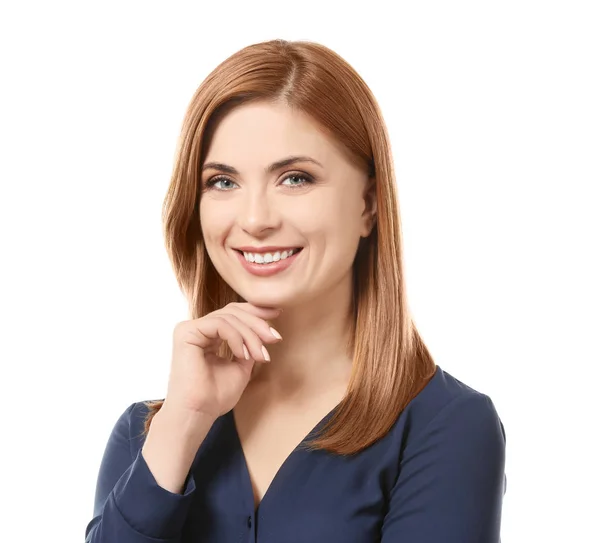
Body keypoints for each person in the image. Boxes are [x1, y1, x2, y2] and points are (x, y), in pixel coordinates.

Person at [84, 39, 506, 542]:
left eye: (295, 178)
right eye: (223, 182)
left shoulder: (447, 428)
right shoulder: (147, 436)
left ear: (369, 205)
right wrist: (182, 425)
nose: (256, 219)